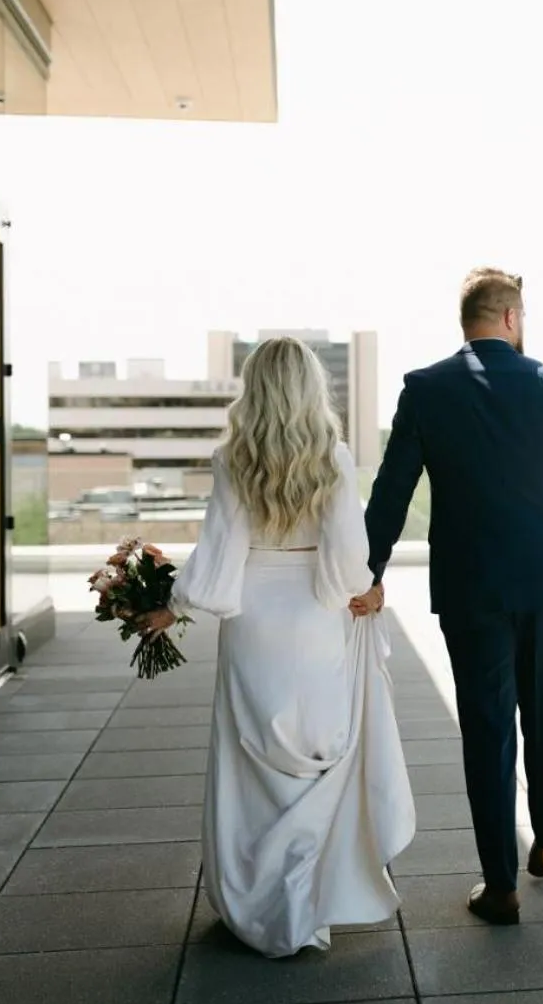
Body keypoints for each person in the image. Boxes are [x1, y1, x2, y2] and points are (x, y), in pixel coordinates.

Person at [136, 337, 414, 958]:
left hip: (255, 620)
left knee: (252, 764)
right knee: (316, 755)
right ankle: (305, 900)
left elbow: (218, 549)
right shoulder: (334, 456)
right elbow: (347, 553)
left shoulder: (231, 456)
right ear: (312, 388)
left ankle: (262, 904)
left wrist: (172, 605)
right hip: (316, 617)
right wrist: (362, 588)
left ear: (253, 389)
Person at [360, 267, 543, 925]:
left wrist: (367, 567)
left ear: (466, 320)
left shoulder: (425, 389)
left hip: (469, 584)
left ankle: (499, 884)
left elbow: (392, 490)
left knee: (485, 727)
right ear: (510, 317)